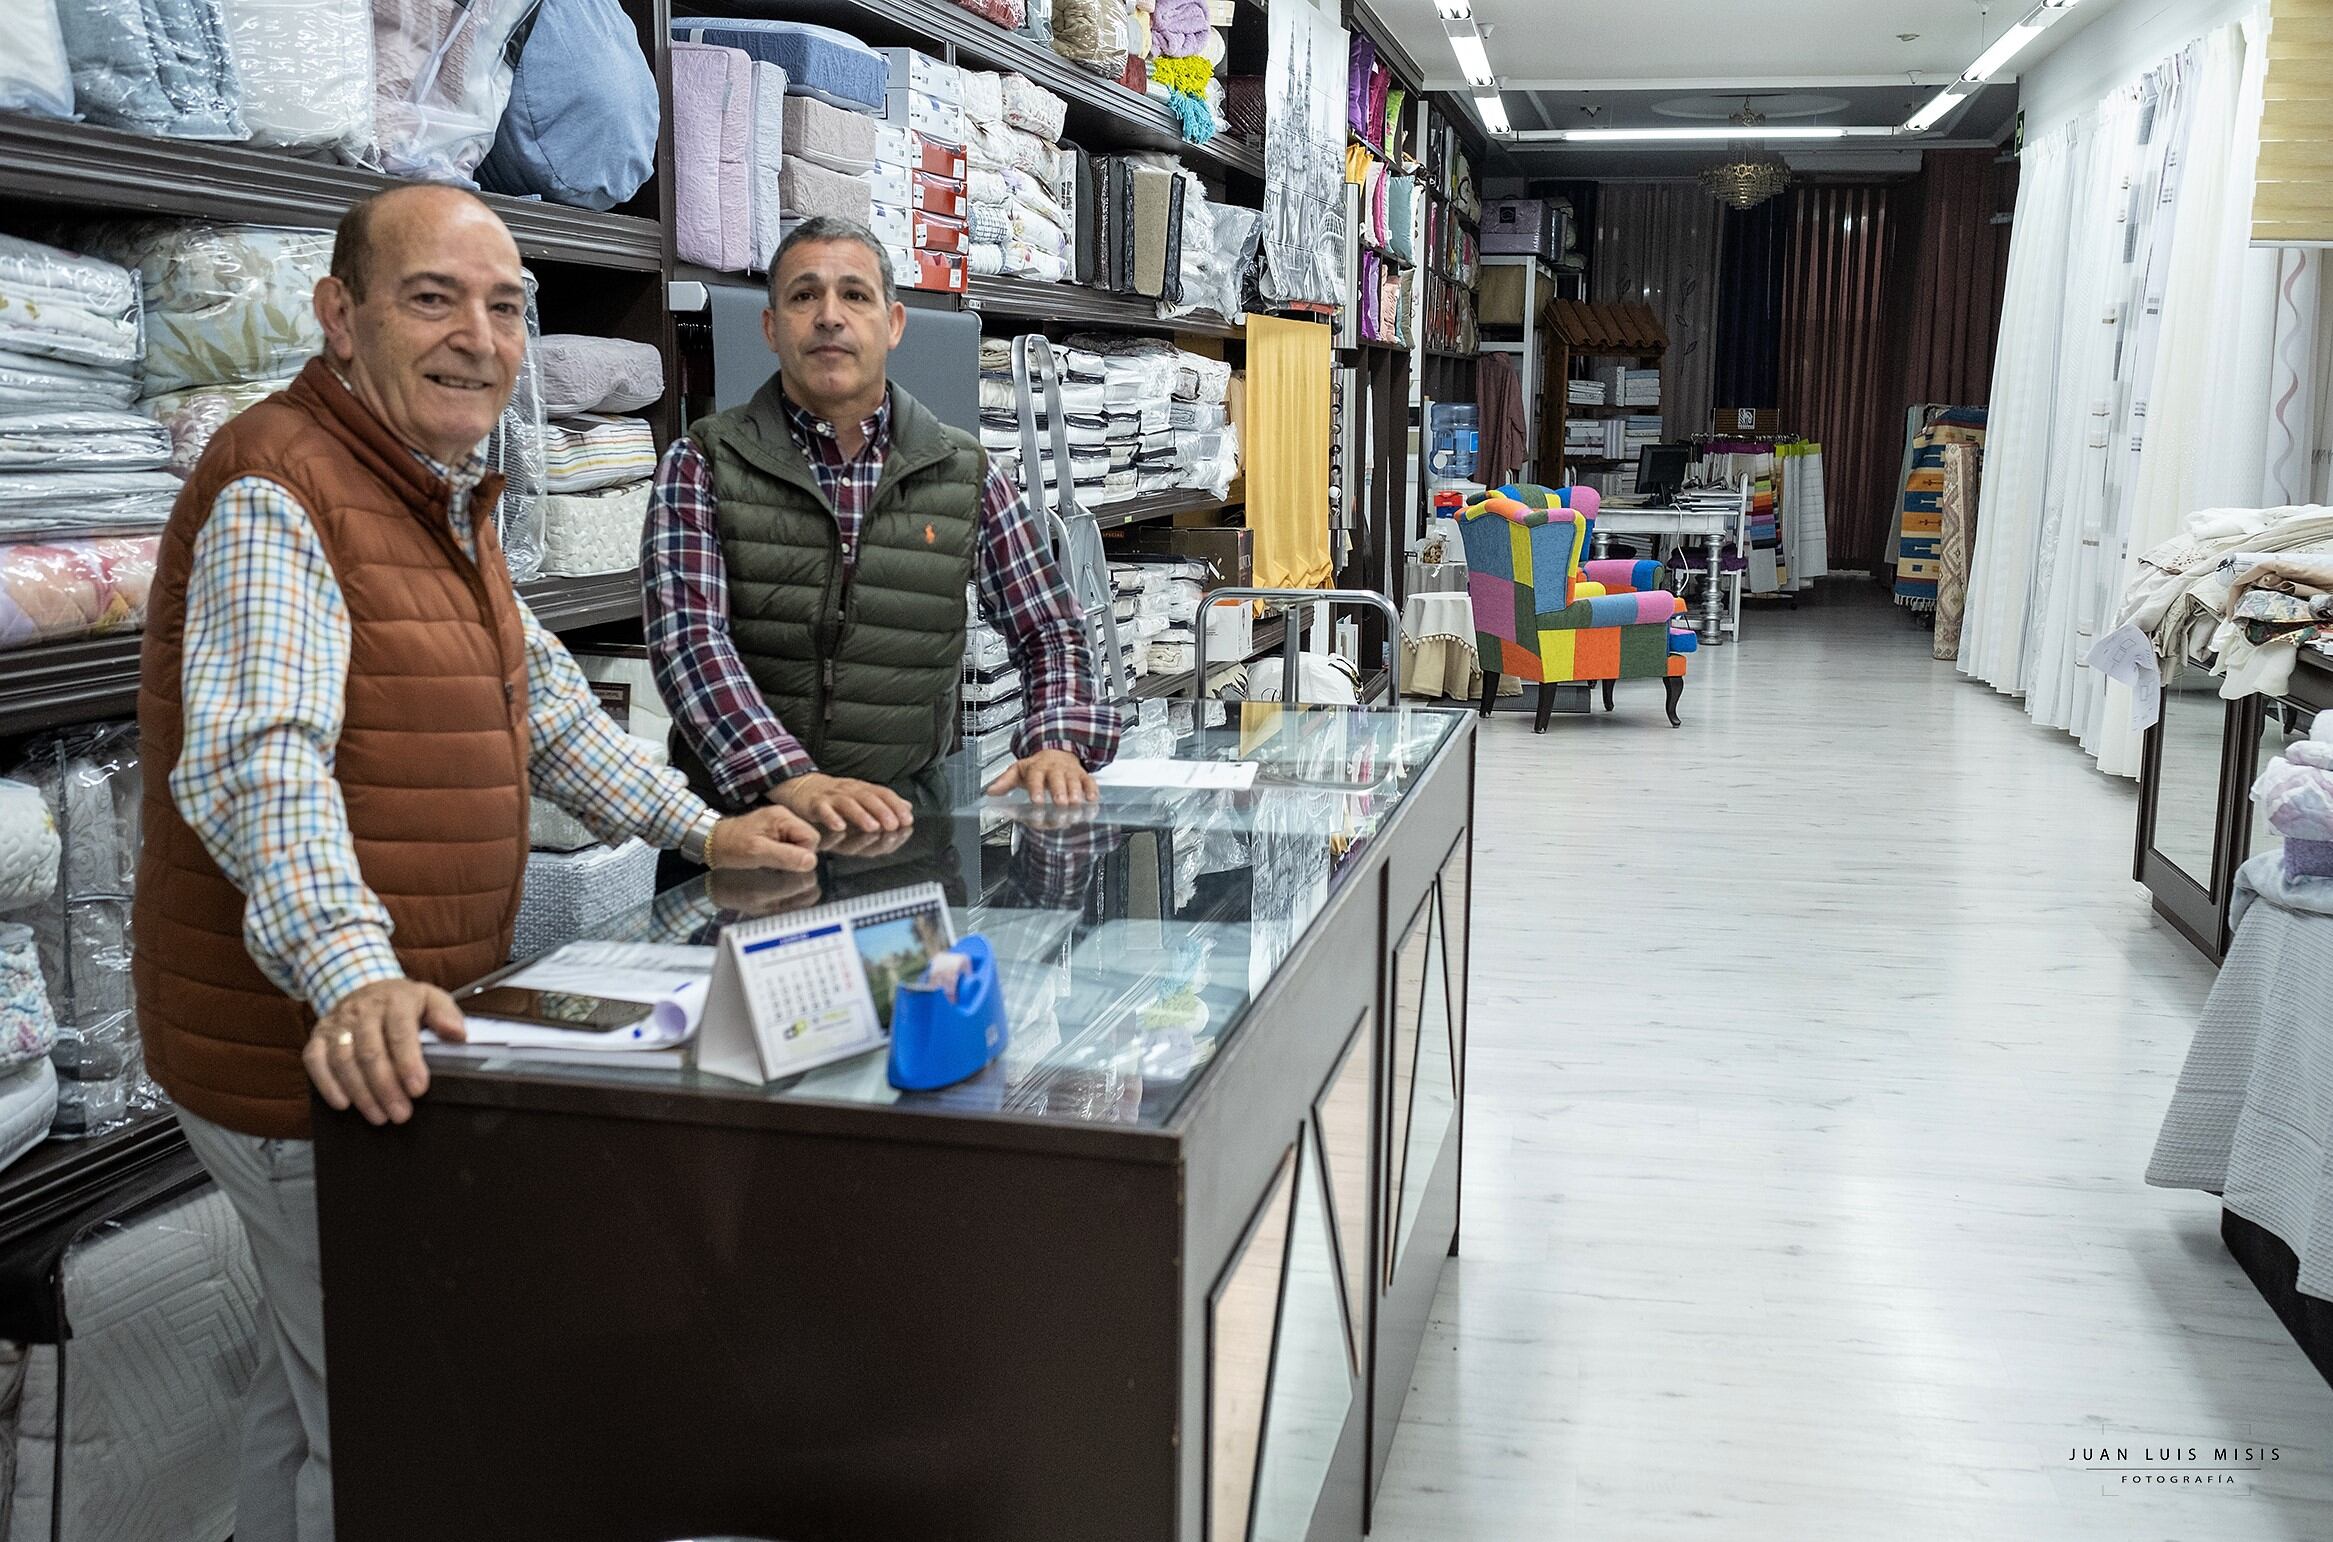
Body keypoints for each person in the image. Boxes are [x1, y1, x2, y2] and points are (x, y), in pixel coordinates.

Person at [130, 183, 822, 1542]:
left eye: (505, 306)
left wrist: (703, 828)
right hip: (308, 1048)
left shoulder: (435, 489)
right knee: (395, 1413)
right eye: (431, 297)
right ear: (340, 316)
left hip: (379, 1028)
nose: (478, 336)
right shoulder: (284, 486)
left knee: (314, 1378)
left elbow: (546, 706)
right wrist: (352, 975)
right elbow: (256, 760)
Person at [642, 215, 1119, 838]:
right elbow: (690, 644)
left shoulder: (965, 473)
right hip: (740, 835)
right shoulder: (702, 463)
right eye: (804, 295)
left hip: (903, 834)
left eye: (855, 295)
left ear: (893, 324)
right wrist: (792, 779)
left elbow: (1049, 629)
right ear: (770, 327)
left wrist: (1056, 739)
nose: (830, 316)